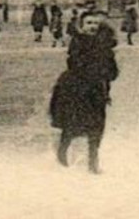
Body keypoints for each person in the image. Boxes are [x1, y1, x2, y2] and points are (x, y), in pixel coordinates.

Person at [49, 9, 119, 174]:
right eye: (88, 23)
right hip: (77, 90)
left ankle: (93, 163)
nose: (92, 26)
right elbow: (74, 64)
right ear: (81, 26)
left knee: (97, 127)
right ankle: (62, 152)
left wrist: (107, 72)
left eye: (95, 23)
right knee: (72, 125)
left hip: (97, 91)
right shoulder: (77, 42)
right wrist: (95, 69)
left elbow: (113, 71)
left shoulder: (105, 44)